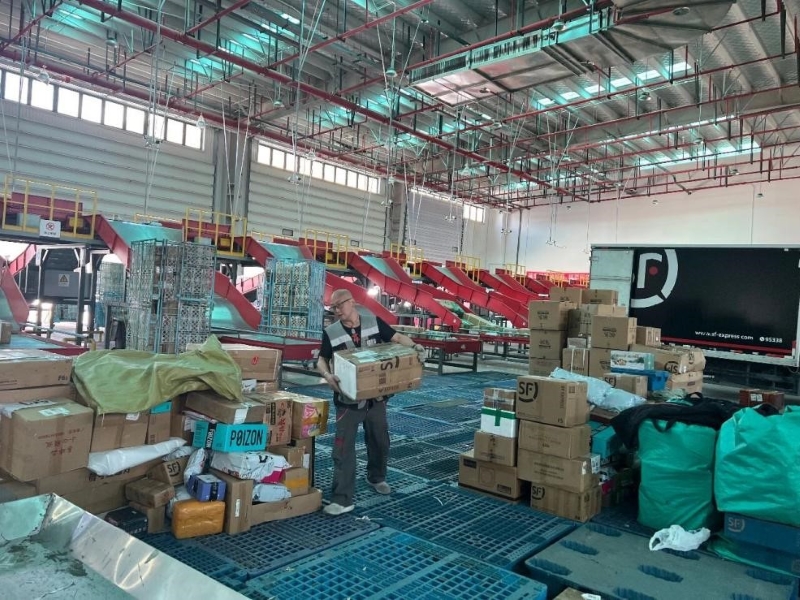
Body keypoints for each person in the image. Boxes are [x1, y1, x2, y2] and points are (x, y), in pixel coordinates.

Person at [317, 289, 426, 516]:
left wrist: (414, 347)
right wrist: (328, 376)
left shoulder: (373, 322)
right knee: (343, 448)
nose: (337, 311)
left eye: (340, 306)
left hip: (376, 398)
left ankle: (376, 477)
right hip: (348, 399)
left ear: (352, 302)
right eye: (334, 308)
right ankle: (342, 498)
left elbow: (396, 338)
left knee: (379, 441)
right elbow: (322, 359)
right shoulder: (331, 332)